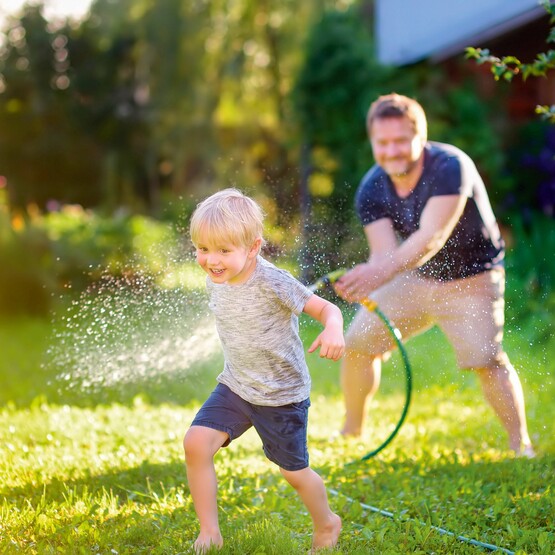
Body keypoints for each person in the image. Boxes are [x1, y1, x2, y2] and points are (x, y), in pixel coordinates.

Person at [334, 93, 535, 458]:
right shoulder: (372, 188)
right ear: (372, 142)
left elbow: (432, 237)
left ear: (420, 137)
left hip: (472, 279)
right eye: (382, 143)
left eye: (400, 141)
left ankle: (520, 445)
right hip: (412, 276)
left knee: (486, 360)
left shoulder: (450, 166)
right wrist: (365, 279)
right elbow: (383, 254)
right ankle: (352, 433)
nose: (391, 150)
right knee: (359, 344)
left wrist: (380, 271)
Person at [183, 188, 344, 553]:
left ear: (253, 248)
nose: (212, 260)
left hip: (281, 397)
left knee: (295, 473)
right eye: (203, 249)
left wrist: (333, 329)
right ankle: (210, 531)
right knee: (196, 444)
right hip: (237, 387)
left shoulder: (274, 281)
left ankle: (327, 523)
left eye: (224, 250)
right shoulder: (216, 277)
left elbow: (327, 311)